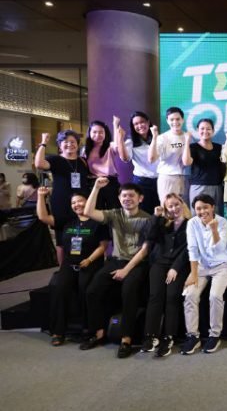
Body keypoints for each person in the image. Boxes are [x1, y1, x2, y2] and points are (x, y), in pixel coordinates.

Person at [80, 178, 151, 358]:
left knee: (129, 291)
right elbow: (88, 212)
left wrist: (126, 270)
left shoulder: (147, 219)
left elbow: (144, 251)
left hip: (136, 263)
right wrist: (96, 187)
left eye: (131, 196)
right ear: (119, 199)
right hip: (116, 260)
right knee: (92, 291)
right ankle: (99, 333)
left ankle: (126, 338)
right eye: (124, 196)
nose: (127, 199)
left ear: (140, 198)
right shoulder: (114, 214)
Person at [36, 187, 108, 346]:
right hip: (69, 263)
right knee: (59, 288)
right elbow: (43, 217)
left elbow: (103, 246)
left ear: (88, 201)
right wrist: (40, 196)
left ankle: (88, 329)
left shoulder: (98, 221)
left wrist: (89, 260)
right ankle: (58, 331)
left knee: (85, 289)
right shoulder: (68, 220)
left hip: (90, 262)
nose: (77, 205)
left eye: (80, 201)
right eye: (73, 203)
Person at [181, 194, 227, 355]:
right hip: (201, 266)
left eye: (205, 207)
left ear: (212, 207)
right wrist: (193, 273)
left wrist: (214, 229)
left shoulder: (223, 222)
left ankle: (214, 335)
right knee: (190, 295)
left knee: (215, 295)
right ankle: (193, 336)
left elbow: (219, 249)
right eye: (198, 208)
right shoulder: (192, 223)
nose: (202, 211)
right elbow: (192, 249)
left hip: (222, 265)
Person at [141, 193, 191, 358]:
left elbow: (189, 249)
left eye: (176, 204)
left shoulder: (190, 223)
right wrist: (156, 217)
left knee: (172, 296)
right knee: (155, 296)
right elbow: (150, 237)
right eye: (170, 206)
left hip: (179, 265)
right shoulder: (162, 222)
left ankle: (168, 337)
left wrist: (175, 267)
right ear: (166, 208)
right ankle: (151, 335)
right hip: (160, 263)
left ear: (182, 204)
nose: (174, 208)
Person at [35, 130, 92, 265]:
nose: (69, 144)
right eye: (65, 142)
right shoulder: (56, 159)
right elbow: (39, 164)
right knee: (62, 239)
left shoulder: (82, 161)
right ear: (60, 145)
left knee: (81, 234)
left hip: (81, 203)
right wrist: (43, 143)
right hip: (61, 202)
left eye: (73, 142)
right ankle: (64, 269)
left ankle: (81, 264)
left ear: (77, 144)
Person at [120, 111, 160, 214]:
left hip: (160, 180)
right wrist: (120, 139)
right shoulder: (131, 142)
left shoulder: (158, 139)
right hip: (141, 182)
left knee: (159, 212)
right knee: (143, 212)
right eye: (136, 124)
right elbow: (125, 159)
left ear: (148, 122)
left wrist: (155, 137)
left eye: (142, 122)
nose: (140, 126)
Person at [183, 118, 224, 215]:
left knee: (216, 216)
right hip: (199, 187)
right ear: (197, 130)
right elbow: (186, 162)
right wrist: (187, 142)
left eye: (208, 129)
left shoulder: (219, 147)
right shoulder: (193, 147)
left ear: (213, 131)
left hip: (217, 187)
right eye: (202, 128)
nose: (205, 131)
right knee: (198, 216)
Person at [149, 106, 189, 204]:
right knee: (168, 207)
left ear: (182, 120)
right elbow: (151, 159)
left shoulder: (188, 137)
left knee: (185, 208)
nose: (175, 122)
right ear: (167, 121)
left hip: (185, 177)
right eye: (172, 119)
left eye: (178, 119)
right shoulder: (163, 138)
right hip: (168, 177)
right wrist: (154, 137)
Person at [83, 118, 122, 210]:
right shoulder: (85, 150)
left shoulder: (110, 146)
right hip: (94, 183)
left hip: (110, 182)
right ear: (89, 133)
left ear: (105, 133)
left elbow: (117, 145)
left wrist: (115, 125)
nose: (98, 135)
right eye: (94, 132)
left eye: (101, 132)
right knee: (96, 210)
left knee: (114, 210)